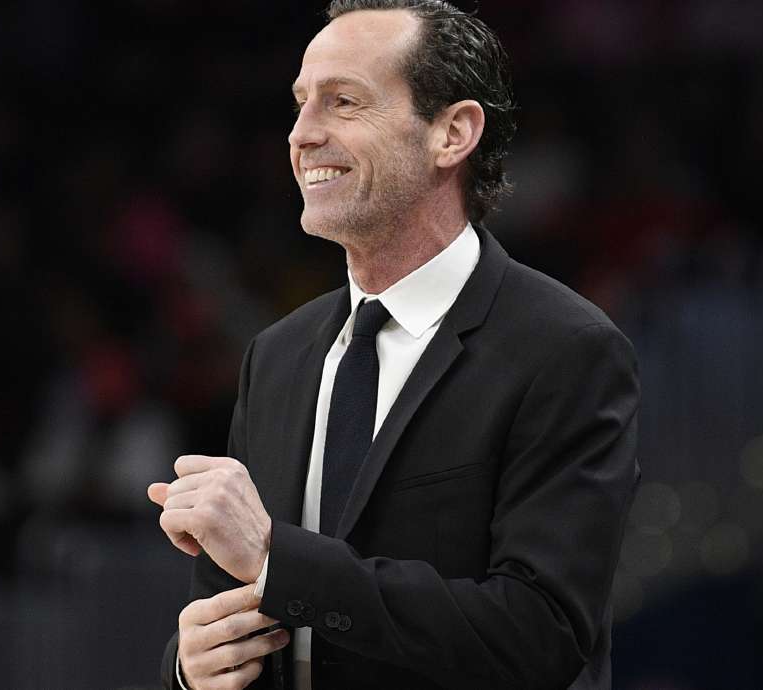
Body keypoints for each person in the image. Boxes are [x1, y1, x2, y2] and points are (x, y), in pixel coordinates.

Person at [147, 1, 640, 688]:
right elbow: (234, 603)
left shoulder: (567, 349)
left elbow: (541, 636)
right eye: (299, 104)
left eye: (343, 101)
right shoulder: (277, 357)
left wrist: (278, 559)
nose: (301, 134)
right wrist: (191, 666)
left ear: (453, 132)